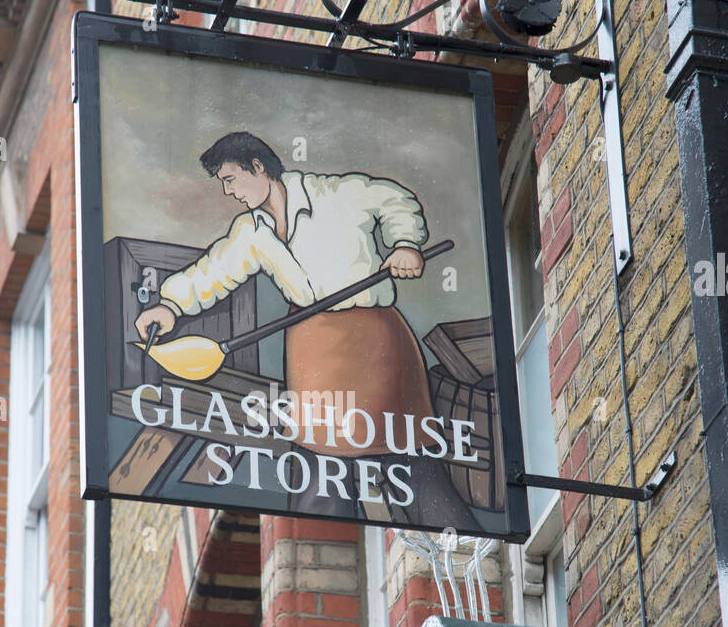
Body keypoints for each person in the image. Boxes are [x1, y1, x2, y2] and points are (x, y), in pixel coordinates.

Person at [135, 132, 482, 528]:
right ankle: (317, 556)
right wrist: (170, 305)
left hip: (372, 344)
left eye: (231, 179)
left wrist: (404, 244)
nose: (229, 191)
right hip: (312, 350)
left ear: (258, 167)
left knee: (408, 459)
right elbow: (213, 272)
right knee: (319, 474)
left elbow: (394, 199)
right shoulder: (252, 231)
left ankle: (463, 545)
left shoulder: (335, 194)